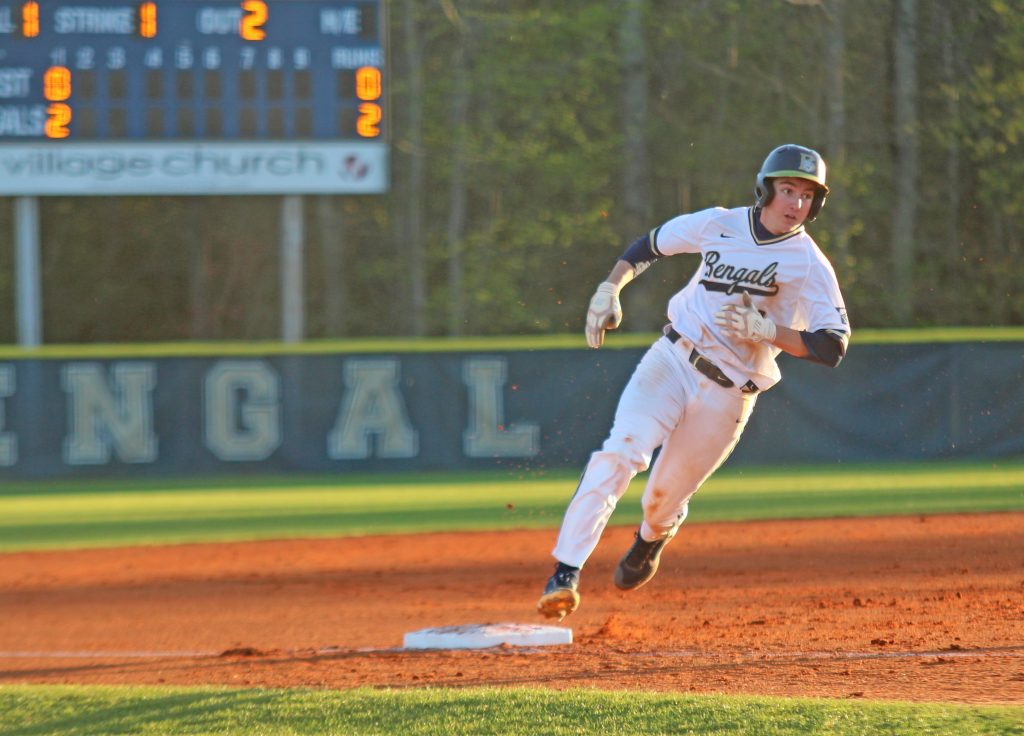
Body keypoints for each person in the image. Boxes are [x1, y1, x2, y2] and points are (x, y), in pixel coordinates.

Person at [537, 144, 851, 622]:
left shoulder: (809, 263)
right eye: (788, 190)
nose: (796, 203)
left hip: (730, 393)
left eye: (808, 196)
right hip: (673, 359)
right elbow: (651, 245)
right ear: (766, 189)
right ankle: (565, 572)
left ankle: (651, 539)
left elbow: (832, 346)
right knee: (621, 451)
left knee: (661, 501)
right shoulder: (719, 223)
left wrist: (770, 331)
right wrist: (610, 287)